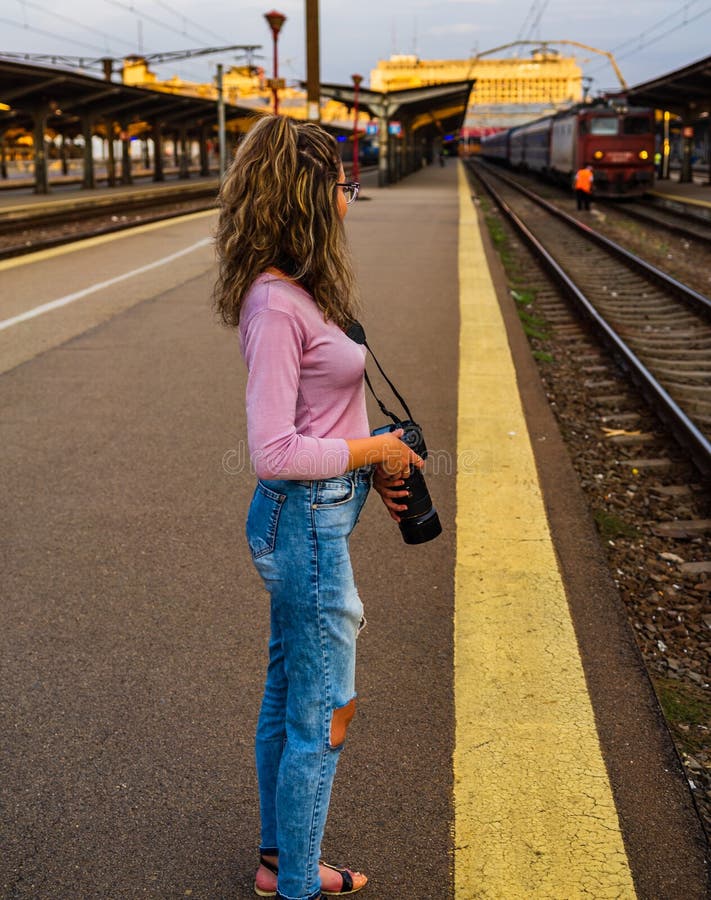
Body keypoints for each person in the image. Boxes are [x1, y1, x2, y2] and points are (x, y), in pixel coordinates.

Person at [213, 115, 423, 900]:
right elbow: (273, 450)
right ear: (308, 196)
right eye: (344, 184)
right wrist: (375, 452)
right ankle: (297, 884)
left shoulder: (305, 288)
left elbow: (316, 421)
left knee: (289, 694)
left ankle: (279, 865)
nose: (351, 195)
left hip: (317, 516)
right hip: (300, 525)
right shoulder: (276, 306)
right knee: (326, 712)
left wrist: (380, 453)